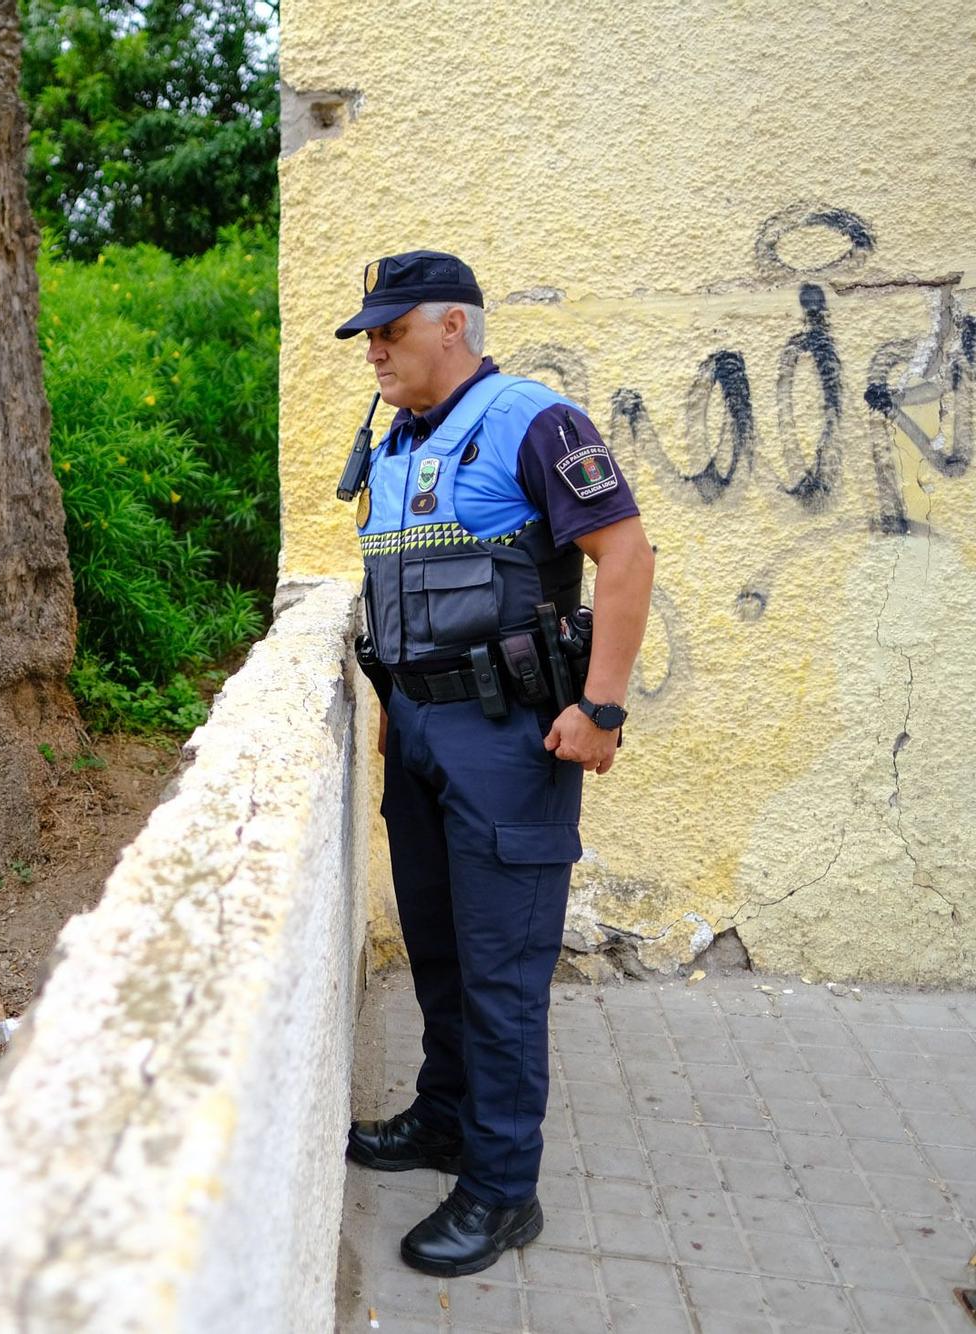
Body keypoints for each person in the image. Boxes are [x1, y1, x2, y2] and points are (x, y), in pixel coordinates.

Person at [333, 250, 656, 1277]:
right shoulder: (395, 442)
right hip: (420, 737)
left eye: (391, 329)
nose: (374, 348)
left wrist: (599, 704)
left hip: (507, 740)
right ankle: (443, 1118)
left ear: (452, 329)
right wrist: (396, 711)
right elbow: (405, 599)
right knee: (435, 945)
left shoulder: (531, 418)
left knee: (502, 975)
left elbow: (626, 553)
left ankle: (502, 1189)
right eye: (369, 333)